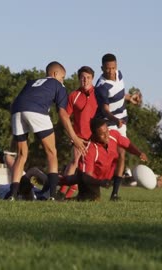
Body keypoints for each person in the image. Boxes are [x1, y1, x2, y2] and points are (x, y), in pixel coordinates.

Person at [10, 61, 86, 200]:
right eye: (63, 77)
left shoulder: (32, 82)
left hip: (16, 110)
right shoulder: (58, 85)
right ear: (55, 74)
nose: (63, 80)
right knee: (52, 153)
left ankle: (13, 195)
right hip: (36, 110)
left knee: (21, 155)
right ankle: (52, 195)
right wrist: (74, 138)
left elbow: (21, 99)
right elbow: (63, 114)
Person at [60, 118, 148, 201]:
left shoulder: (113, 135)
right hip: (88, 179)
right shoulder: (91, 149)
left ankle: (56, 184)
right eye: (102, 134)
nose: (107, 136)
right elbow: (86, 177)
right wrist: (101, 183)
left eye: (107, 131)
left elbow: (126, 144)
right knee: (92, 199)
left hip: (97, 179)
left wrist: (139, 153)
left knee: (90, 196)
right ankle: (58, 191)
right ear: (94, 135)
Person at [94, 53, 141, 200]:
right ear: (102, 68)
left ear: (117, 67)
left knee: (121, 155)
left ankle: (115, 193)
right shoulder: (101, 87)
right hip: (108, 123)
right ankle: (100, 181)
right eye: (107, 69)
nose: (111, 71)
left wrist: (129, 98)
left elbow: (118, 94)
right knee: (110, 155)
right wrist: (116, 120)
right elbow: (105, 111)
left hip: (121, 121)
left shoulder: (119, 75)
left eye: (113, 68)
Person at [58, 66, 98, 199]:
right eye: (82, 78)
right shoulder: (74, 96)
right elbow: (65, 117)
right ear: (78, 79)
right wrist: (72, 137)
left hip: (94, 139)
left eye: (88, 78)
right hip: (79, 138)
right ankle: (61, 194)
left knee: (87, 169)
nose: (85, 80)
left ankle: (73, 195)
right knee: (74, 162)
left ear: (92, 79)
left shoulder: (99, 95)